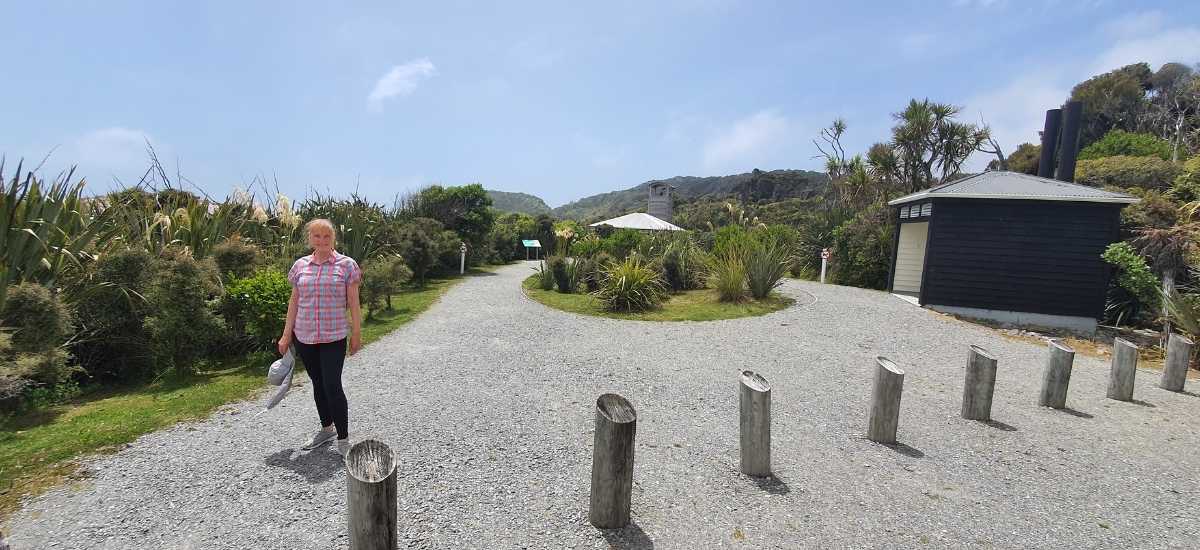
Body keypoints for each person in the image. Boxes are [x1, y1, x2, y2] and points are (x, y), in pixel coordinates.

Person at [278, 218, 363, 457]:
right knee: (317, 385)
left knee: (332, 385)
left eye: (327, 236)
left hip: (334, 336)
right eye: (317, 236)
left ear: (333, 238)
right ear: (310, 239)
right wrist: (286, 336)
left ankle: (344, 439)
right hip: (305, 337)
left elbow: (354, 304)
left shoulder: (346, 265)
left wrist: (356, 333)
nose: (322, 241)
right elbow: (294, 301)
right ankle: (327, 428)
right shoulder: (300, 266)